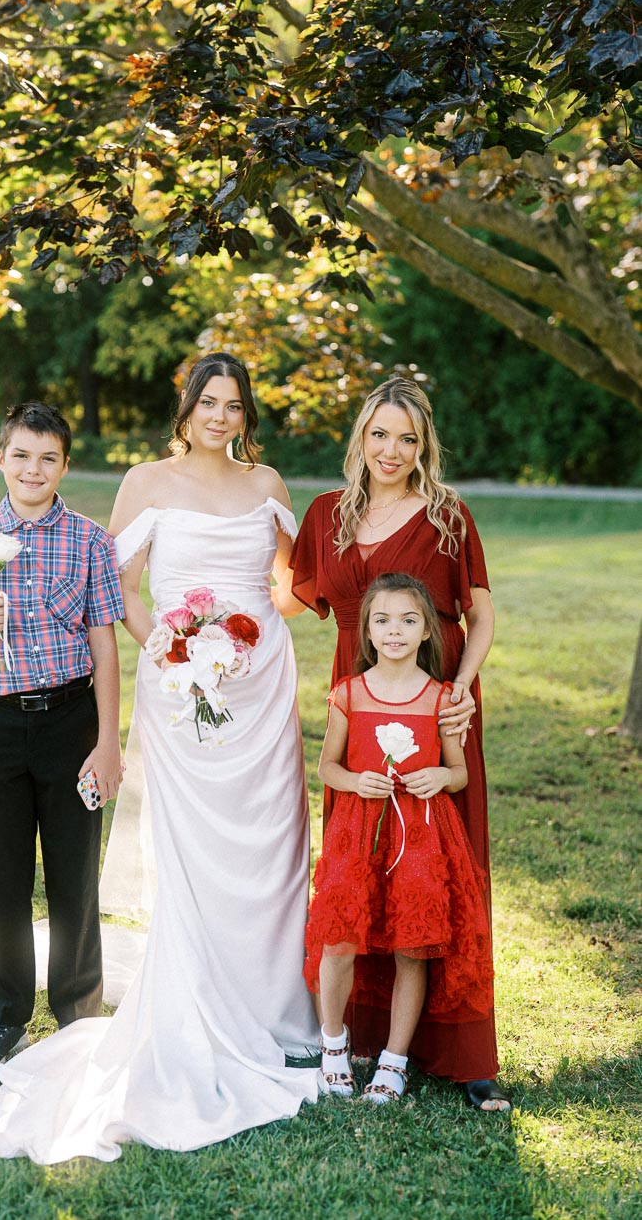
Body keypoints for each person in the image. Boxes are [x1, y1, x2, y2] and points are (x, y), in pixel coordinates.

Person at [0, 352, 321, 1164]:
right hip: (180, 684)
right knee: (197, 847)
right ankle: (194, 999)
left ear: (245, 413)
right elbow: (109, 582)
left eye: (233, 405)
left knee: (272, 842)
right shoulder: (144, 481)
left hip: (260, 688)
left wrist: (252, 633)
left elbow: (291, 586)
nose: (220, 417)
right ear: (186, 406)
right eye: (208, 402)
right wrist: (170, 642)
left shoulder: (269, 488)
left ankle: (277, 1011)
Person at [275, 375, 509, 1110]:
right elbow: (288, 593)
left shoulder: (446, 515)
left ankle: (463, 1052)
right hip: (358, 696)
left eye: (407, 438)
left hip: (437, 703)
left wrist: (462, 692)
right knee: (359, 865)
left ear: (424, 446)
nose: (392, 449)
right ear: (360, 439)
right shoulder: (326, 515)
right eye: (380, 433)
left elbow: (480, 610)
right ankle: (356, 1036)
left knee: (444, 867)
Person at [0, 401, 124, 1073]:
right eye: (21, 455)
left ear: (65, 465)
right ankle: (7, 1017)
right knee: (3, 876)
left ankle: (77, 1015)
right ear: (1, 460)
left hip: (71, 722)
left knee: (74, 875)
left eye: (48, 457)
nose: (33, 468)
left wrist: (108, 742)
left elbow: (105, 647)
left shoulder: (91, 540)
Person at [305, 573, 493, 1105]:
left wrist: (440, 777)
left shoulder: (441, 700)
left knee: (413, 946)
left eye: (409, 620)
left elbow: (457, 772)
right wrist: (354, 781)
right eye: (382, 620)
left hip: (422, 839)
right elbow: (327, 767)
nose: (394, 631)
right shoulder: (349, 694)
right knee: (340, 940)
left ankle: (394, 1060)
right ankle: (334, 1046)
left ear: (428, 631)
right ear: (366, 631)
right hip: (359, 834)